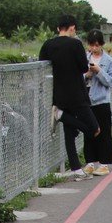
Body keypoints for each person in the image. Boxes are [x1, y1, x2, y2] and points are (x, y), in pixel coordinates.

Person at [39, 14, 101, 180]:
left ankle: (76, 169)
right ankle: (60, 115)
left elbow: (42, 63)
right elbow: (83, 68)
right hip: (77, 93)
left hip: (59, 93)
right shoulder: (75, 44)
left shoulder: (48, 44)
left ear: (58, 28)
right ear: (72, 28)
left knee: (69, 132)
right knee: (94, 129)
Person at [83, 29, 112, 176]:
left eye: (97, 45)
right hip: (86, 101)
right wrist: (87, 75)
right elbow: (79, 77)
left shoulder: (108, 61)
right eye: (92, 45)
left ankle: (104, 164)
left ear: (102, 44)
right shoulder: (84, 58)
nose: (94, 48)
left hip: (102, 101)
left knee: (104, 132)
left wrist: (99, 71)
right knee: (88, 132)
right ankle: (90, 162)